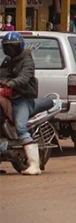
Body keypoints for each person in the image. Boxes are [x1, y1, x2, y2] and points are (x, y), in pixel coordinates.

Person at [0, 32, 41, 175]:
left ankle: (34, 165)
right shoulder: (7, 61)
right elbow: (1, 73)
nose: (10, 50)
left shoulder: (27, 60)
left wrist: (11, 83)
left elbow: (24, 77)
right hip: (7, 97)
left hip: (22, 98)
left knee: (20, 126)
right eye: (8, 47)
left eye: (13, 47)